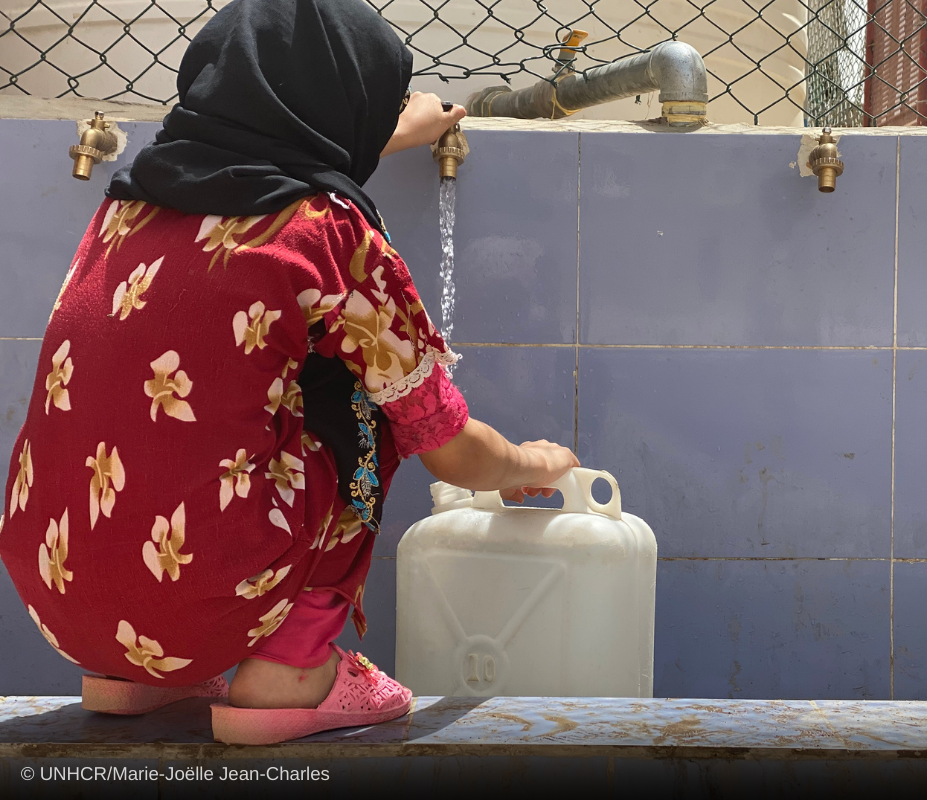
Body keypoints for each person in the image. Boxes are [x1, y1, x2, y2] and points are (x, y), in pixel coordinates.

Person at [0, 0, 577, 746]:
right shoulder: (332, 233)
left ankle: (137, 679)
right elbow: (447, 443)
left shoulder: (129, 203)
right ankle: (291, 666)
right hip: (203, 593)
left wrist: (392, 133)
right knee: (377, 405)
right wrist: (528, 463)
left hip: (61, 597)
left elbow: (270, 163)